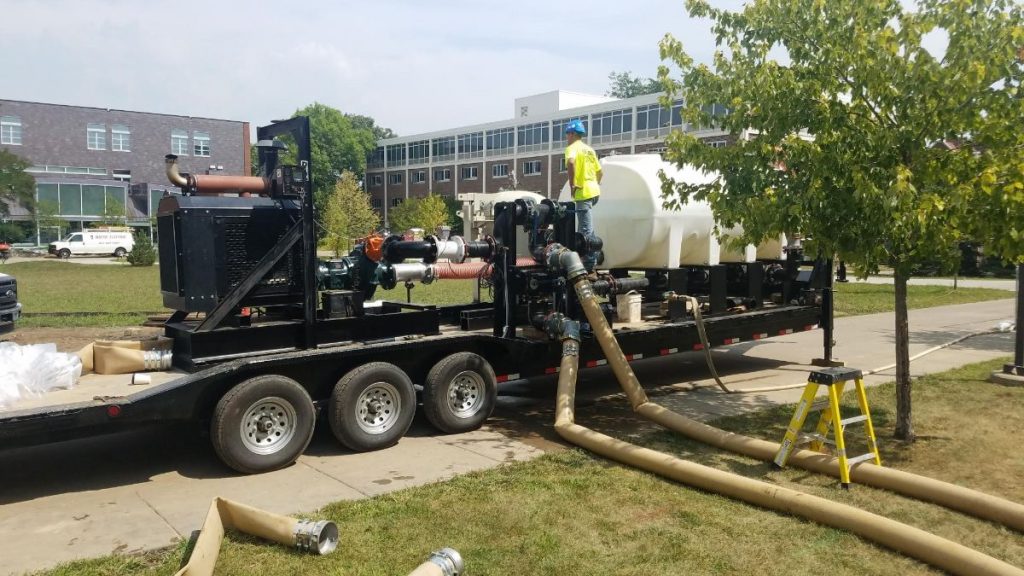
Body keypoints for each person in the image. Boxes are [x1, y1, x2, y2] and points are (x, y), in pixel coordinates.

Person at [564, 119, 602, 270]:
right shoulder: (589, 150)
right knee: (585, 228)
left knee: (585, 231)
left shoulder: (572, 148)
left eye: (567, 134)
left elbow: (571, 162)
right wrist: (594, 184)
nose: (567, 137)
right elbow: (600, 172)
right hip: (594, 193)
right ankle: (588, 257)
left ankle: (588, 265)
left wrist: (572, 184)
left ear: (573, 134)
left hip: (583, 193)